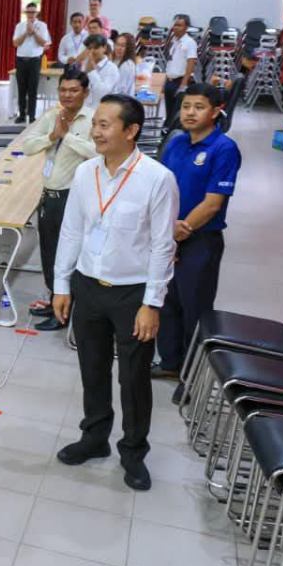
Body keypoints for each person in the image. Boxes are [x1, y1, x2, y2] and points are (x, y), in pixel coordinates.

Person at [51, 95, 179, 492]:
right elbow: (72, 230)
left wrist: (152, 303)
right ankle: (94, 438)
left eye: (105, 125)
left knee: (133, 378)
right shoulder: (86, 172)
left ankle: (133, 452)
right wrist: (61, 284)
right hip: (89, 286)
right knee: (92, 368)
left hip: (133, 294)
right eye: (96, 124)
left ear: (131, 130)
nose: (96, 131)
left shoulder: (157, 179)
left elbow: (163, 246)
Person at [155, 83, 241, 385]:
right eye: (186, 106)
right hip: (168, 235)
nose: (190, 113)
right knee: (167, 302)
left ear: (216, 111)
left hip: (200, 240)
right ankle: (170, 362)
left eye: (199, 107)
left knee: (195, 309)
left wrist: (182, 230)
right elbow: (159, 187)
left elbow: (213, 203)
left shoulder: (224, 148)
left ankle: (191, 378)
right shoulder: (176, 143)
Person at [20, 70, 96, 333]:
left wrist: (66, 136)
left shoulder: (92, 119)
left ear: (85, 92)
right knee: (49, 252)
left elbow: (97, 153)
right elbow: (28, 146)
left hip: (72, 198)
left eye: (74, 90)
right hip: (49, 195)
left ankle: (64, 312)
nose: (67, 95)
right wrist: (52, 136)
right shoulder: (52, 116)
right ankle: (55, 300)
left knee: (67, 256)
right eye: (63, 90)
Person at [12, 3, 51, 123]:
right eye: (28, 12)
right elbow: (15, 43)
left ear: (36, 13)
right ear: (25, 13)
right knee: (21, 89)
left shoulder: (42, 26)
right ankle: (22, 115)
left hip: (35, 60)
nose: (30, 14)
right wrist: (25, 33)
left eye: (33, 12)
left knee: (32, 89)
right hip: (21, 60)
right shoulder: (20, 26)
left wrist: (33, 32)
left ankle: (32, 116)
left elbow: (44, 43)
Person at [164, 14, 198, 129]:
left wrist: (183, 84)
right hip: (170, 81)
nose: (175, 28)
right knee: (169, 112)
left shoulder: (190, 42)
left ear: (186, 27)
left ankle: (173, 134)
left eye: (179, 25)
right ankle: (167, 133)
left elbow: (191, 63)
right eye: (174, 25)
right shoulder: (174, 41)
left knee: (176, 115)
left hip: (180, 82)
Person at [83, 34, 120, 108]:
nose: (92, 51)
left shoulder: (112, 68)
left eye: (96, 48)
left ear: (104, 48)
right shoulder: (86, 63)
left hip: (103, 109)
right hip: (86, 108)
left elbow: (102, 93)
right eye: (89, 48)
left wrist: (92, 72)